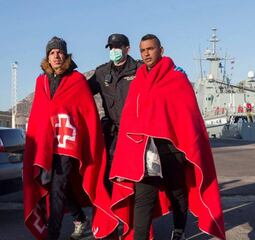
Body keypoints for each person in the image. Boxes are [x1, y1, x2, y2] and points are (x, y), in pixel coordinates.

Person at [109, 34, 226, 240]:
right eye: (143, 50)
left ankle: (179, 230)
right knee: (143, 200)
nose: (146, 54)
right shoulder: (137, 83)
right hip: (145, 152)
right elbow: (129, 122)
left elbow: (189, 115)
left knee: (177, 193)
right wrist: (123, 159)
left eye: (150, 49)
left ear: (161, 50)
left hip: (172, 149)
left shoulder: (176, 78)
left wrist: (188, 146)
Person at [23, 36, 117, 240]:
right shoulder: (41, 82)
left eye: (60, 52)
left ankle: (52, 234)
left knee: (58, 185)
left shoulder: (77, 80)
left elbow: (87, 113)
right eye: (52, 52)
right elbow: (39, 113)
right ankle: (79, 217)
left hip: (68, 142)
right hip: (47, 144)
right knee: (52, 185)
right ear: (47, 56)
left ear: (66, 55)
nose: (56, 56)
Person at [88, 33, 142, 193]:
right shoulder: (102, 73)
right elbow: (81, 92)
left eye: (117, 47)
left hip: (136, 131)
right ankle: (117, 211)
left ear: (127, 48)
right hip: (113, 131)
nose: (114, 50)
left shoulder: (140, 70)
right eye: (111, 47)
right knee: (110, 174)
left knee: (137, 174)